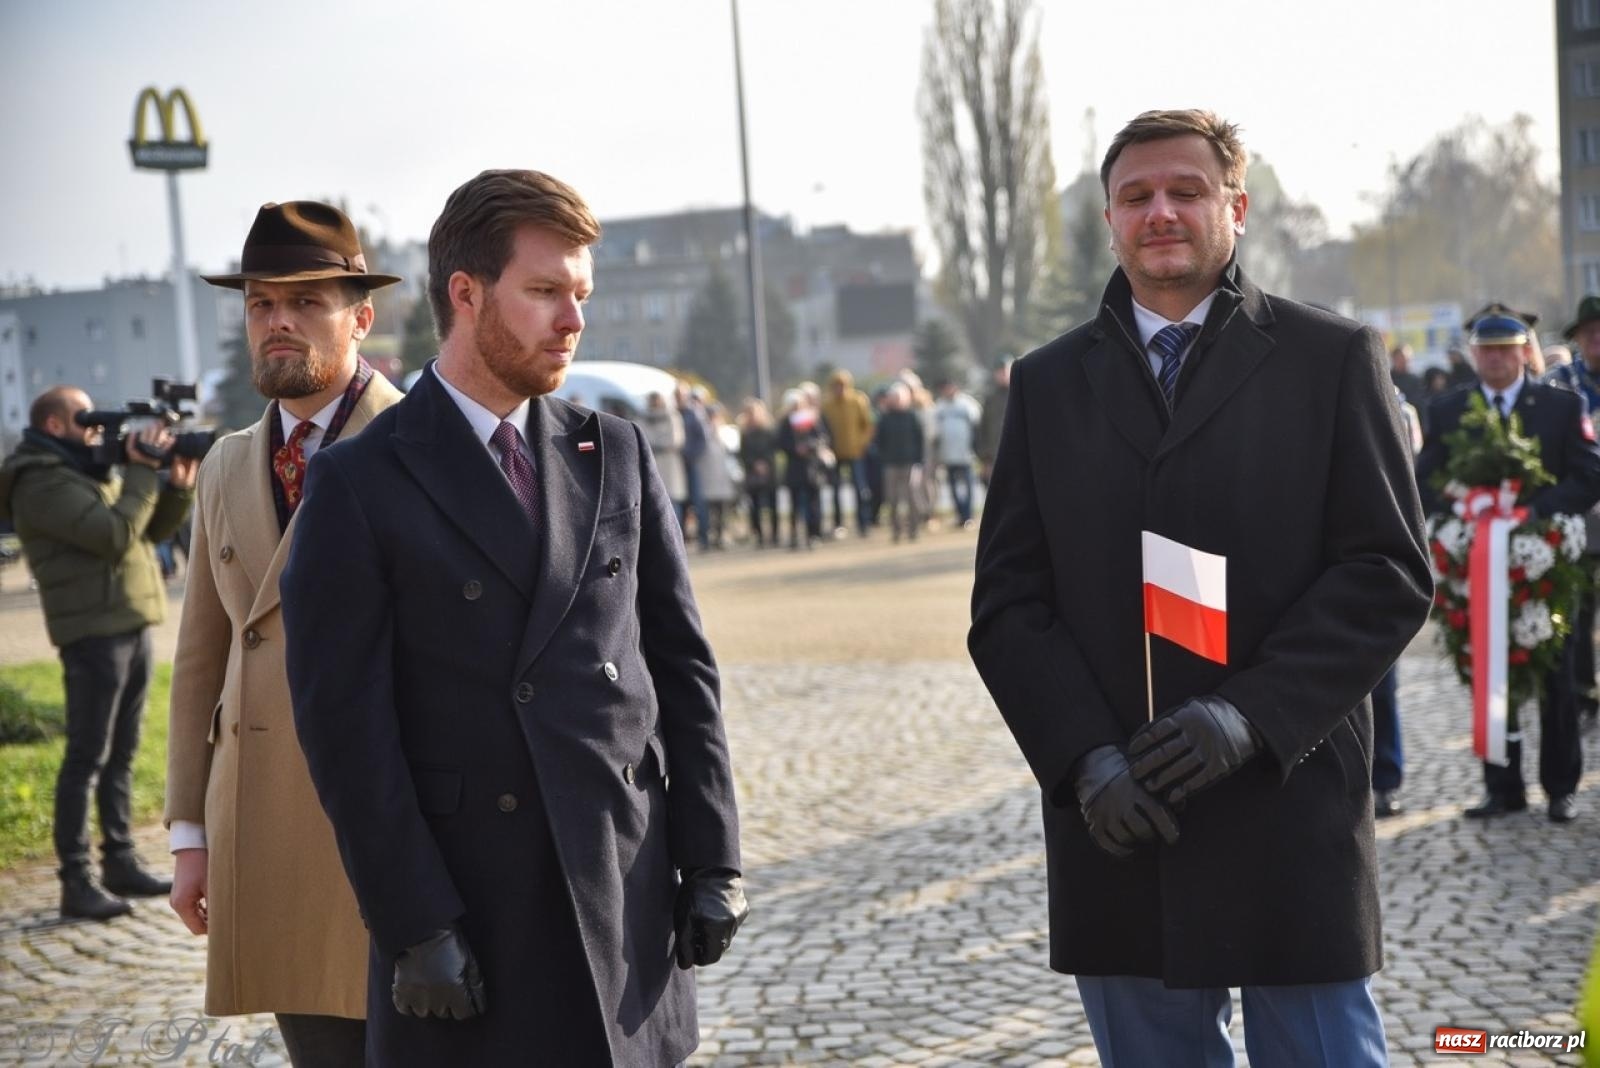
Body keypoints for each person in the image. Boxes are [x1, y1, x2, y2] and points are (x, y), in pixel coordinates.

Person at [969, 109, 1431, 1067]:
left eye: (1185, 190)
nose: (1161, 212)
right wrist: (1084, 760)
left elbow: (1386, 571)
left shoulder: (1329, 357)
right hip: (1122, 813)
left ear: (1237, 206)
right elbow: (1010, 604)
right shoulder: (1048, 386)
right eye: (1136, 197)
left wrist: (1249, 715)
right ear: (1110, 220)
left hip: (1285, 793)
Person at [279, 169, 746, 1066]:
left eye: (581, 294)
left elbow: (682, 665)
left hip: (624, 886)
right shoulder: (359, 482)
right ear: (465, 293)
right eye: (544, 292)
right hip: (474, 910)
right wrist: (414, 924)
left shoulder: (611, 448)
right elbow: (345, 735)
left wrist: (714, 854)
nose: (573, 320)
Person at [164, 201, 405, 1065]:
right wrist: (190, 834)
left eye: (306, 303)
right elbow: (202, 657)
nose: (279, 323)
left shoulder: (419, 443)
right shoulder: (228, 462)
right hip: (262, 822)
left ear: (361, 317)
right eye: (263, 304)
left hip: (394, 831)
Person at [0, 388, 195, 919]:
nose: (95, 433)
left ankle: (119, 861)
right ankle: (76, 880)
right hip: (90, 632)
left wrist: (173, 489)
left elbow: (145, 532)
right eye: (86, 421)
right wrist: (137, 469)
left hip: (125, 622)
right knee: (86, 757)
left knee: (122, 754)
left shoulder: (82, 471)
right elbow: (113, 535)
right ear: (57, 423)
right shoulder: (40, 479)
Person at [1416, 309, 1600, 823]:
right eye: (1486, 350)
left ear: (1524, 352)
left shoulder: (1562, 406)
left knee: (1557, 680)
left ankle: (1560, 786)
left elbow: (1590, 475)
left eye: (1505, 349)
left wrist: (1534, 512)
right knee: (1490, 673)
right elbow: (1423, 479)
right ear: (1474, 354)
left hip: (1546, 564)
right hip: (1476, 561)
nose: (1495, 359)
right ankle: (1502, 787)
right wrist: (1462, 503)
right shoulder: (1449, 409)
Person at [1545, 296, 1600, 732]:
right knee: (1578, 610)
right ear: (1577, 339)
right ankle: (1585, 692)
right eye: (1588, 332)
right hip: (1580, 516)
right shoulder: (1561, 384)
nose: (1596, 338)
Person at [820, 369, 874, 537]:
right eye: (836, 386)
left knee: (860, 488)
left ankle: (863, 522)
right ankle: (838, 523)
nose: (839, 389)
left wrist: (861, 443)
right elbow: (823, 429)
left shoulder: (857, 401)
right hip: (835, 453)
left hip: (855, 452)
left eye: (842, 386)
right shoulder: (827, 406)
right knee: (835, 489)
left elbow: (868, 426)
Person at [874, 382, 925, 543]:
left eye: (899, 397)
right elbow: (879, 441)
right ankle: (896, 531)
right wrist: (883, 458)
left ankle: (914, 529)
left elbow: (920, 439)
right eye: (893, 397)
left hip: (910, 463)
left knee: (912, 497)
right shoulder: (885, 418)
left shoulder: (912, 416)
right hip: (891, 464)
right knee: (892, 499)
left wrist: (919, 461)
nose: (896, 400)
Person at [933, 379, 982, 528]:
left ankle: (968, 516)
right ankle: (960, 515)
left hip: (965, 454)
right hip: (948, 455)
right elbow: (935, 432)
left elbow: (977, 425)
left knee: (967, 487)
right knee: (953, 488)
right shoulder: (940, 406)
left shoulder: (967, 404)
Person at [737, 398, 779, 548]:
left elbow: (774, 449)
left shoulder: (769, 431)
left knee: (772, 504)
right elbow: (742, 453)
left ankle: (775, 534)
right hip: (752, 473)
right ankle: (759, 535)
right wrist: (754, 464)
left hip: (769, 472)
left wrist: (765, 463)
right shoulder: (745, 434)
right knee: (755, 507)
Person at [976, 356, 1012, 486]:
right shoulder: (990, 398)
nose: (1002, 374)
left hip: (1017, 453)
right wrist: (985, 457)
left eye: (1005, 370)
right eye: (999, 371)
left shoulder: (1020, 393)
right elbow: (983, 428)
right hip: (994, 454)